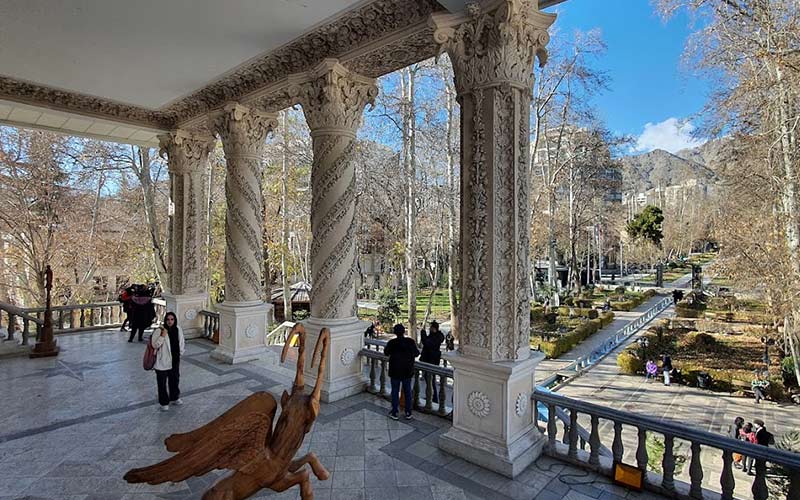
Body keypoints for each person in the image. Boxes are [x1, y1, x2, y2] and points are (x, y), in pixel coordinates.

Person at [151, 311, 185, 411]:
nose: (170, 321)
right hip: (162, 361)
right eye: (168, 319)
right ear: (165, 320)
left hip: (174, 360)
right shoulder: (159, 330)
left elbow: (182, 342)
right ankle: (164, 402)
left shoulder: (178, 329)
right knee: (162, 383)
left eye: (172, 319)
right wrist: (162, 336)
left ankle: (175, 397)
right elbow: (154, 345)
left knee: (174, 380)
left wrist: (180, 353)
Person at [384, 323, 419, 421]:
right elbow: (417, 353)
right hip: (407, 371)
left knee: (395, 391)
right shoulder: (410, 342)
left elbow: (386, 352)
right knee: (408, 392)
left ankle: (395, 412)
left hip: (395, 371)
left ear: (395, 332)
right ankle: (408, 412)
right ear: (404, 331)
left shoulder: (392, 343)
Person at [420, 321, 445, 403]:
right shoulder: (434, 335)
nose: (429, 329)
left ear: (434, 328)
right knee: (429, 380)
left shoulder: (436, 337)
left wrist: (423, 333)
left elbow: (426, 343)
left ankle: (433, 398)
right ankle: (431, 396)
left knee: (431, 380)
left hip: (431, 360)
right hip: (430, 359)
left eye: (430, 327)